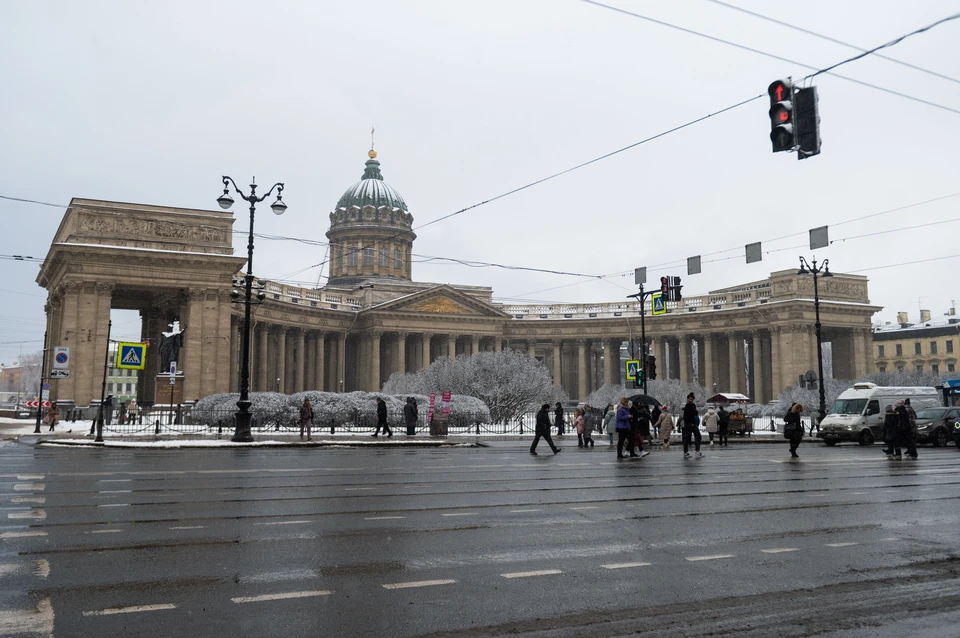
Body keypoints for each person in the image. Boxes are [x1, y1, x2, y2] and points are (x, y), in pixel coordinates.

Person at [682, 393, 703, 459]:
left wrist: (695, 411)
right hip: (689, 424)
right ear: (688, 399)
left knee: (698, 436)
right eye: (690, 399)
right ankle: (687, 452)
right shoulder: (688, 406)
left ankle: (696, 451)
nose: (691, 400)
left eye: (692, 399)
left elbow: (695, 413)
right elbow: (692, 413)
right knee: (688, 438)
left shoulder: (692, 405)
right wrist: (695, 411)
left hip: (692, 423)